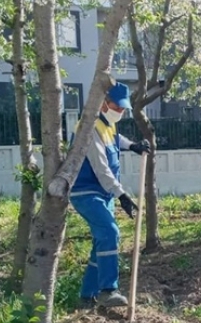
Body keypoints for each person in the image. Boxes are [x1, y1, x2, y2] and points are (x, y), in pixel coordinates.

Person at [69, 81, 150, 309]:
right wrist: (122, 194)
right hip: (86, 192)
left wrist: (132, 146)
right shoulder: (89, 128)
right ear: (104, 103)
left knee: (101, 244)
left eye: (123, 108)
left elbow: (116, 139)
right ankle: (108, 290)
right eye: (117, 107)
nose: (120, 112)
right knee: (109, 232)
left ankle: (87, 296)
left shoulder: (107, 125)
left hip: (103, 193)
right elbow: (100, 167)